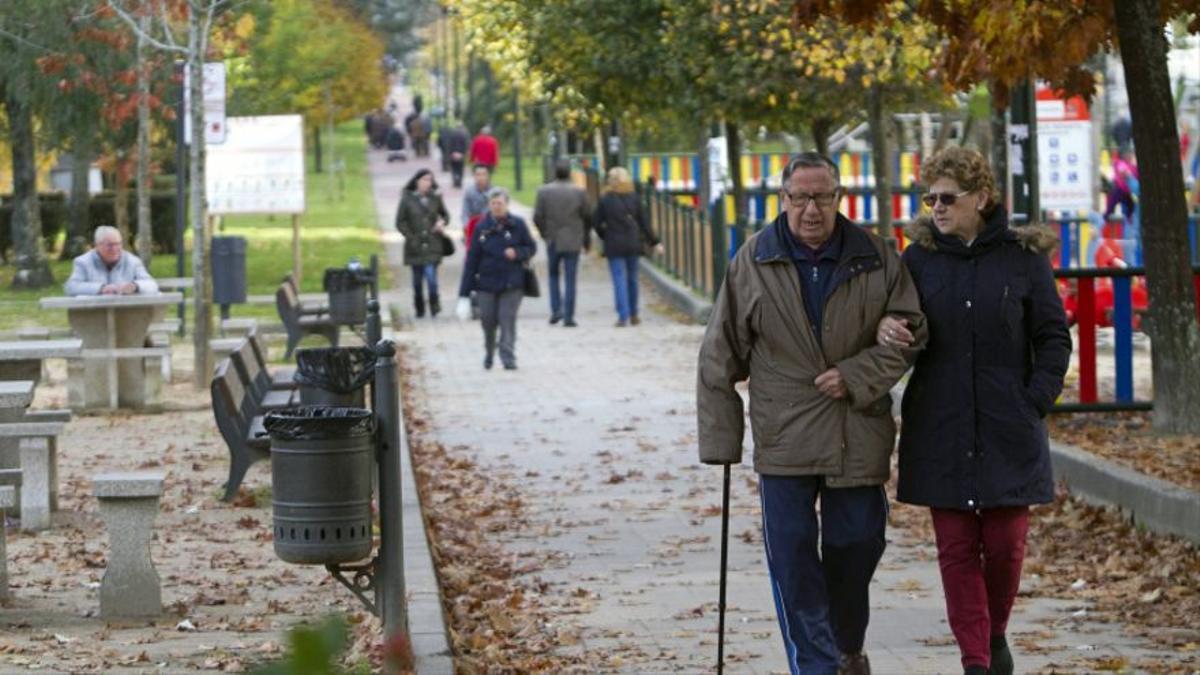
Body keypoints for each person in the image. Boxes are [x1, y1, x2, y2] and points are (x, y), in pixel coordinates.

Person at [697, 152, 927, 675]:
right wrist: (720, 442)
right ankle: (817, 666)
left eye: (822, 196)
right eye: (799, 197)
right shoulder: (753, 261)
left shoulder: (877, 256)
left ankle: (847, 645)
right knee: (794, 562)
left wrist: (859, 373)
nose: (811, 209)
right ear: (782, 199)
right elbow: (719, 352)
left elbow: (913, 331)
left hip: (856, 430)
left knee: (856, 544)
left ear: (839, 197)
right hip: (785, 436)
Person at [877, 147, 1070, 675]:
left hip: (1009, 424)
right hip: (941, 422)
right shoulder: (918, 260)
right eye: (929, 197)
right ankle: (977, 661)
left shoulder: (1022, 258)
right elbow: (897, 323)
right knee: (957, 549)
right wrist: (888, 330)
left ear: (981, 198)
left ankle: (995, 631)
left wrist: (1036, 398)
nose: (936, 208)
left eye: (948, 198)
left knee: (1006, 547)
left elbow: (1053, 335)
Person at [456, 187, 536, 370]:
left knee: (507, 318)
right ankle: (489, 351)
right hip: (486, 283)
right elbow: (472, 260)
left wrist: (517, 252)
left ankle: (508, 356)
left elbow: (531, 247)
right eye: (493, 203)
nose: (497, 207)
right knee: (488, 321)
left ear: (507, 204)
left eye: (500, 203)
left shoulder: (518, 224)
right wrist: (464, 293)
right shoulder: (481, 227)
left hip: (512, 282)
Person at [592, 166, 661, 327]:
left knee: (618, 279)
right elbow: (644, 223)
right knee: (632, 278)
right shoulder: (634, 198)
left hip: (614, 243)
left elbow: (596, 223)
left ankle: (622, 315)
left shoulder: (605, 200)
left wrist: (605, 235)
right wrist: (655, 242)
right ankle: (634, 313)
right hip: (632, 242)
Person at [533, 159, 591, 327]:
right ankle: (569, 315)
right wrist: (585, 239)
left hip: (553, 238)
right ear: (570, 173)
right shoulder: (579, 192)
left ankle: (556, 309)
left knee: (553, 275)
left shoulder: (544, 192)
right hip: (573, 239)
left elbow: (537, 216)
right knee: (570, 277)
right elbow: (587, 217)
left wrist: (544, 233)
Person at [394, 169, 451, 318]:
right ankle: (419, 306)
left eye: (430, 180)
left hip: (433, 243)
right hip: (415, 245)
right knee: (417, 281)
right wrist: (410, 237)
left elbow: (445, 215)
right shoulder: (407, 199)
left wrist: (441, 222)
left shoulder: (435, 198)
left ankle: (434, 302)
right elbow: (400, 222)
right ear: (417, 181)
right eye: (424, 180)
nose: (427, 183)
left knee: (431, 277)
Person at [65, 226, 159, 296]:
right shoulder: (82, 262)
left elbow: (152, 284)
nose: (115, 249)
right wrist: (101, 288)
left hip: (127, 314)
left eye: (118, 244)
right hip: (93, 314)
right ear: (97, 245)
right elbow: (71, 287)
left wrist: (135, 286)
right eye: (110, 245)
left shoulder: (133, 261)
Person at [1103, 147, 1138, 221]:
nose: (1130, 156)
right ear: (1124, 155)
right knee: (1110, 209)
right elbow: (1122, 170)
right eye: (1129, 155)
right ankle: (1105, 220)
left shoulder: (1132, 166)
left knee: (1130, 209)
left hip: (1127, 192)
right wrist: (1127, 174)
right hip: (1118, 189)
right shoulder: (1120, 163)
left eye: (1131, 155)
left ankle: (1128, 221)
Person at [442, 122, 470, 188]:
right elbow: (466, 144)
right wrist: (464, 153)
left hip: (453, 154)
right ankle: (459, 182)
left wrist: (450, 153)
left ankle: (455, 181)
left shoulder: (452, 133)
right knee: (460, 169)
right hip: (461, 154)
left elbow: (449, 144)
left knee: (454, 168)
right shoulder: (465, 134)